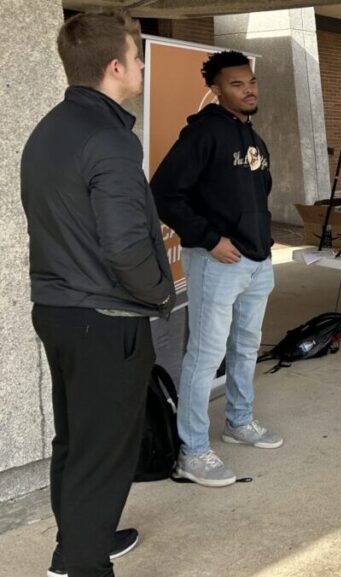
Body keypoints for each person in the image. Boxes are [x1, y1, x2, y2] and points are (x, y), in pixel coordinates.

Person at [21, 12, 175, 577]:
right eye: (137, 58)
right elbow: (126, 246)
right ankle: (80, 563)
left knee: (76, 442)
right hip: (104, 318)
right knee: (104, 454)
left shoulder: (49, 130)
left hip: (59, 311)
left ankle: (85, 540)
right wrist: (159, 294)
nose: (141, 67)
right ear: (115, 67)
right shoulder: (109, 139)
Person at [151, 51, 280, 488]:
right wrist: (209, 238)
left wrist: (262, 238)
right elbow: (164, 192)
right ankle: (193, 451)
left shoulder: (251, 137)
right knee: (205, 356)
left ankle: (239, 421)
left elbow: (255, 196)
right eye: (237, 84)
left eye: (251, 82)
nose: (249, 90)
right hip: (217, 263)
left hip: (256, 263)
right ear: (217, 89)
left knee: (245, 347)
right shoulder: (204, 133)